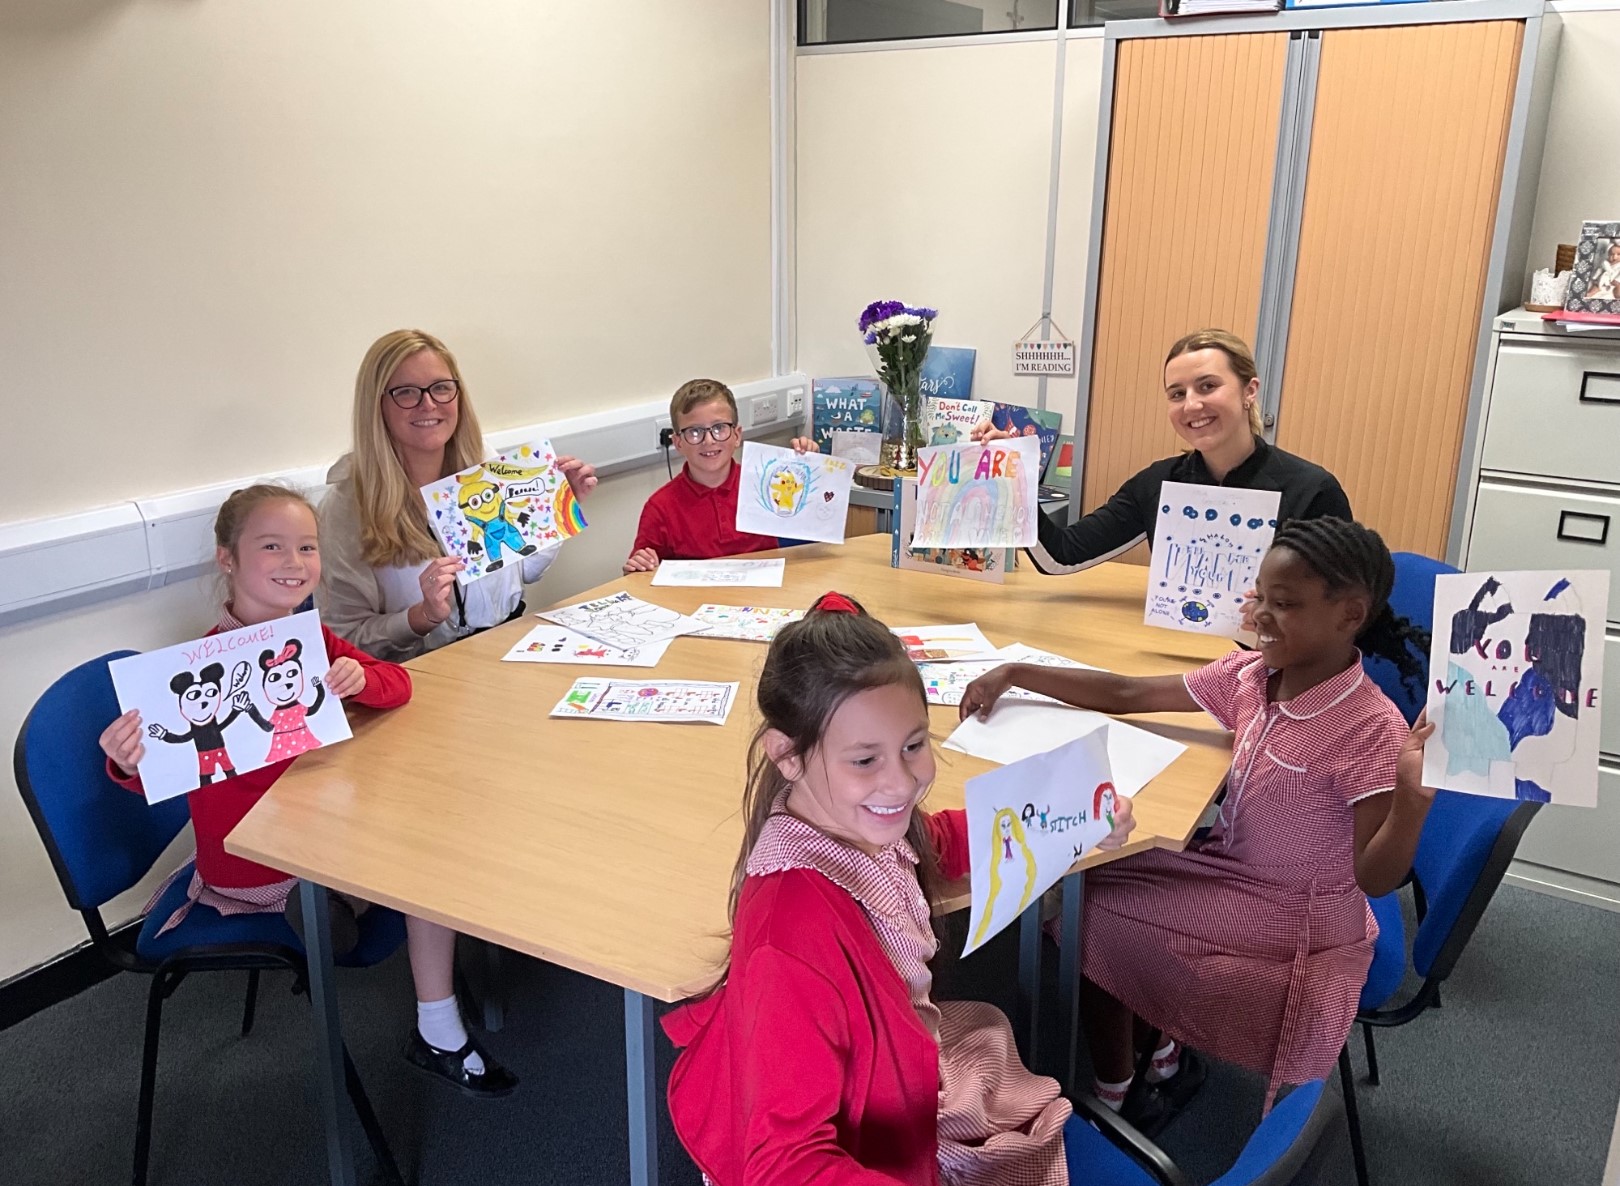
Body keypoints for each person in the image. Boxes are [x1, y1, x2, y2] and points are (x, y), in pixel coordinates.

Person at [960, 517, 1436, 1129]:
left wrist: (1412, 801)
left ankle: (1117, 1087)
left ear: (1349, 615)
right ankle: (1158, 1055)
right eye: (1260, 595)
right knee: (1080, 877)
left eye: (1284, 604)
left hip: (1294, 917)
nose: (1260, 615)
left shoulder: (1370, 729)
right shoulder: (1254, 676)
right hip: (1233, 866)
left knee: (1079, 912)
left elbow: (1373, 878)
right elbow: (1131, 694)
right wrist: (1018, 674)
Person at [661, 592, 1136, 1184]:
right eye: (865, 760)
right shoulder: (788, 946)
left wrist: (1077, 813)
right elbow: (784, 1165)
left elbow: (939, 839)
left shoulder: (856, 826)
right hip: (855, 1145)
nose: (903, 780)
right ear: (785, 755)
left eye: (914, 745)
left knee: (990, 1031)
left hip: (886, 1084)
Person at [99, 486, 517, 1097]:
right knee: (424, 859)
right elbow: (152, 775)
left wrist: (361, 676)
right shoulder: (189, 671)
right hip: (251, 857)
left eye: (307, 547)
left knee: (433, 840)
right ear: (227, 560)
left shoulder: (312, 640)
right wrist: (124, 761)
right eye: (272, 546)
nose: (294, 561)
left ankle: (434, 1021)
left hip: (324, 826)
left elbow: (398, 686)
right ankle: (351, 917)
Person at [318, 328, 598, 665]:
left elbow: (524, 571)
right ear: (376, 405)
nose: (429, 404)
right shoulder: (346, 507)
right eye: (406, 392)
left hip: (505, 652)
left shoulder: (482, 464)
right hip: (419, 676)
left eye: (441, 388)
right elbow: (344, 638)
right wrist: (418, 618)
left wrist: (558, 510)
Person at [973, 329, 1352, 575]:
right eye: (1177, 394)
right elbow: (1061, 556)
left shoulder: (1312, 491)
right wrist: (1016, 474)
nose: (1191, 405)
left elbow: (1343, 611)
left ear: (1249, 391)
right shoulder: (1158, 483)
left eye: (1207, 386)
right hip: (1174, 660)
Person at [622, 378, 818, 575]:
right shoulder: (660, 508)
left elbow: (813, 536)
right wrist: (637, 568)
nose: (709, 441)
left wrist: (813, 469)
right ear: (678, 442)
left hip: (765, 598)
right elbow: (639, 576)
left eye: (719, 428)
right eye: (695, 432)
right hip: (693, 601)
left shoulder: (766, 484)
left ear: (737, 435)